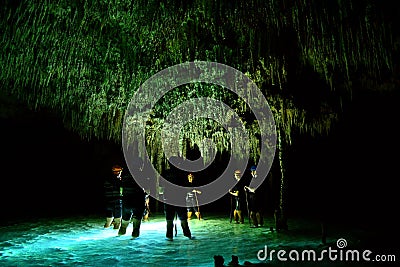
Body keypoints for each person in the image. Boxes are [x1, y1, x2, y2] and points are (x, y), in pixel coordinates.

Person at [162, 156, 193, 241]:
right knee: (183, 219)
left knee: (169, 220)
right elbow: (187, 185)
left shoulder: (165, 173)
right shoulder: (182, 173)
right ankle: (188, 235)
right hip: (180, 200)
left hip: (168, 199)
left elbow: (161, 185)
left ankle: (169, 237)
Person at [118, 162, 147, 238]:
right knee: (137, 219)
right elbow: (146, 188)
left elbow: (121, 188)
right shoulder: (142, 175)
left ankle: (121, 233)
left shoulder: (125, 175)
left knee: (125, 217)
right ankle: (135, 235)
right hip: (138, 200)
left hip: (127, 200)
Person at [103, 164, 123, 229]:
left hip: (108, 201)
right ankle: (115, 237)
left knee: (108, 220)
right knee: (117, 221)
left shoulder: (107, 180)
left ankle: (104, 231)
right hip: (117, 201)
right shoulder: (119, 180)